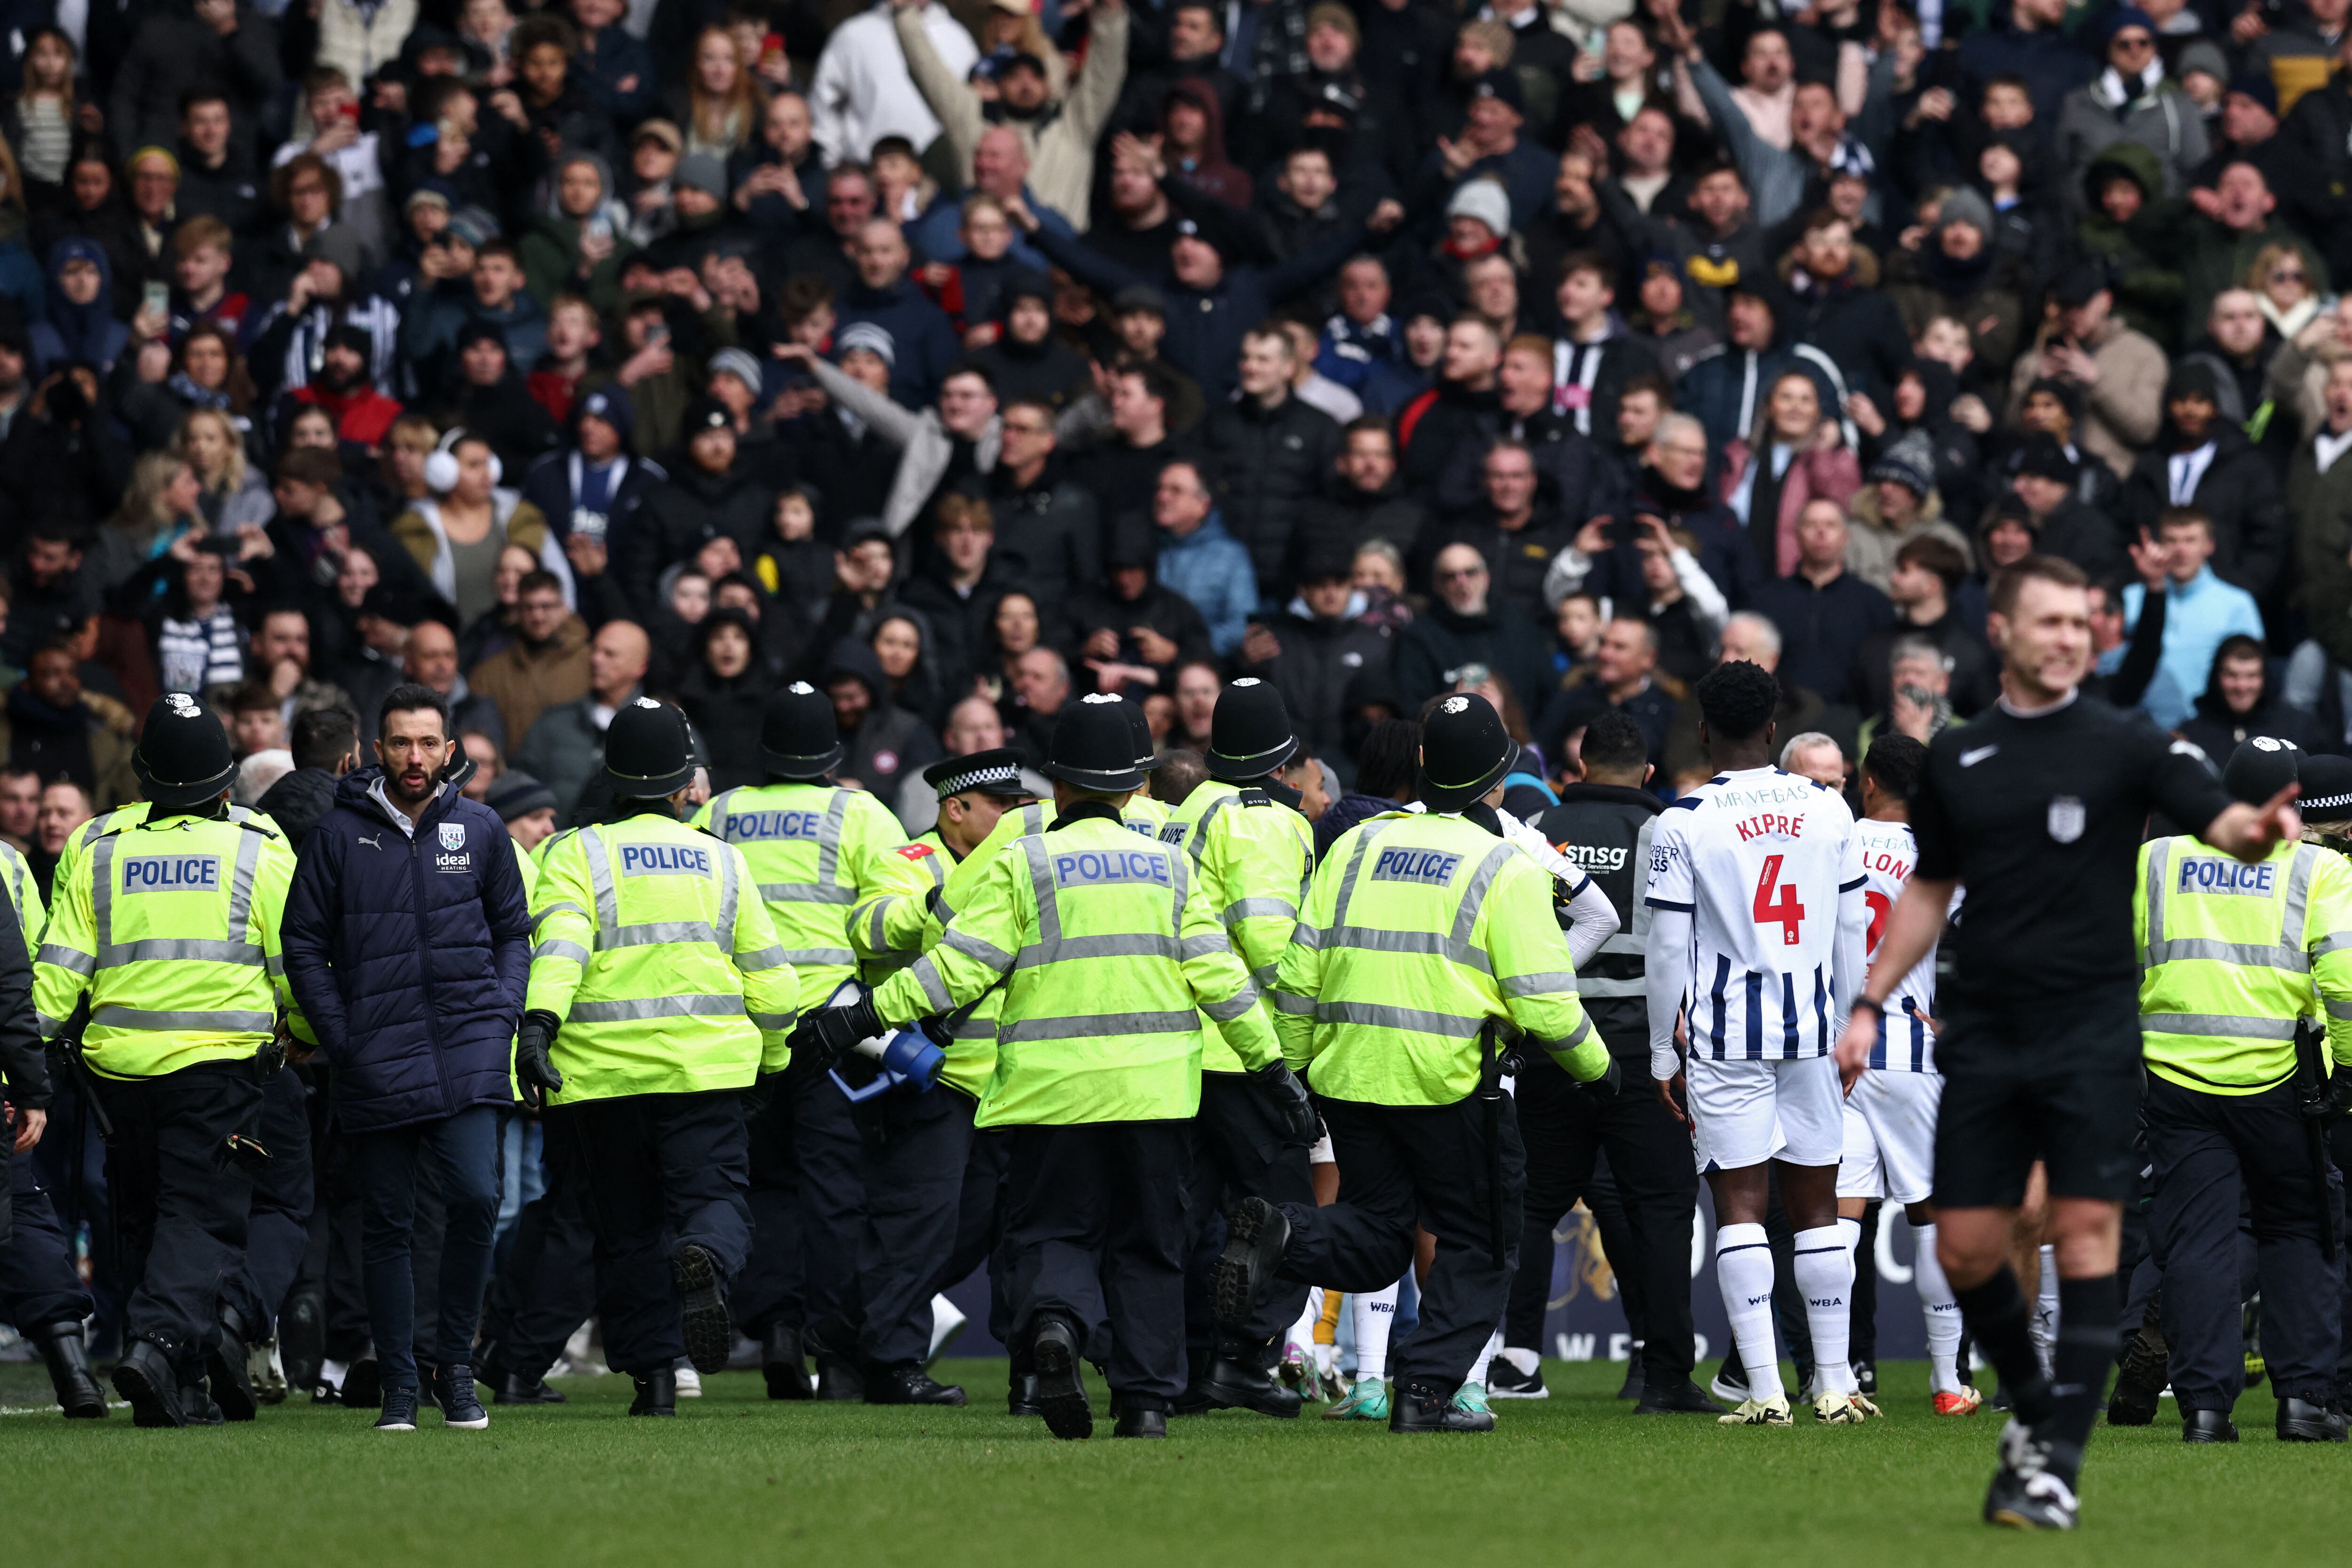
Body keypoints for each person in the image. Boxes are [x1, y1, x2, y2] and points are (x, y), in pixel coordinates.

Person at [1838, 554, 2299, 1529]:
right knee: (1967, 1245)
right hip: (1981, 1030)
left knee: (2084, 1236)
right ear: (2000, 630)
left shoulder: (2130, 741)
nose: (2063, 636)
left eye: (2076, 622)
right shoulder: (1959, 758)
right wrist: (1870, 996)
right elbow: (1928, 887)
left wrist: (2252, 834)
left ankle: (2052, 1460)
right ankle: (2038, 1414)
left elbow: (2219, 820)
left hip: (2090, 1027)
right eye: (2043, 620)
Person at [800, 694, 1287, 1440]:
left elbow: (956, 969)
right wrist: (1271, 1067)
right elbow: (1222, 979)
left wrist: (862, 1017)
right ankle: (1147, 1402)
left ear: (1057, 785)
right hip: (1155, 1095)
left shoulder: (1022, 860)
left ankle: (1058, 1325)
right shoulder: (1171, 867)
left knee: (1055, 1233)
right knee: (1150, 1246)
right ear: (1135, 788)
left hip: (1048, 1096)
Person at [1216, 691, 1612, 1432]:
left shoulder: (1354, 846)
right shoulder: (1507, 866)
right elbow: (1546, 1001)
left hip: (1352, 1083)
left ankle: (1284, 1231)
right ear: (1499, 779)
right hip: (1453, 1086)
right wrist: (1599, 1069)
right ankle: (1426, 1393)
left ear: (1423, 763)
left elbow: (1302, 972)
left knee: (1377, 1233)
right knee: (1480, 1242)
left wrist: (1294, 1070)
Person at [518, 697, 799, 1417]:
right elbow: (772, 982)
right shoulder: (723, 860)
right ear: (686, 785)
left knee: (627, 1233)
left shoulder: (573, 852)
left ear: (609, 776)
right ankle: (705, 1254)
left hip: (604, 1082)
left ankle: (655, 1383)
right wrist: (769, 1059)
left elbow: (561, 948)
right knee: (714, 1204)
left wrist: (540, 1025)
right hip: (704, 1076)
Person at [32, 693, 299, 1426]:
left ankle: (181, 1391)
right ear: (226, 781)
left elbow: (59, 974)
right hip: (218, 1065)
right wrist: (306, 1034)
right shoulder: (259, 843)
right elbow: (291, 963)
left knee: (145, 1217)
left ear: (141, 775)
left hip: (117, 1074)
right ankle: (151, 1346)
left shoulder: (95, 844)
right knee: (200, 1220)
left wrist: (18, 1064)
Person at [279, 682, 531, 1432]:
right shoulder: (336, 833)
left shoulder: (484, 829)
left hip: (469, 1047)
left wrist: (502, 1014)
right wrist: (342, 1034)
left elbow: (516, 931)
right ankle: (397, 1382)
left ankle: (453, 1365)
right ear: (376, 750)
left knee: (477, 1198)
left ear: (450, 750)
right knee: (386, 1222)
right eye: (400, 742)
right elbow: (302, 942)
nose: (414, 757)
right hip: (376, 1054)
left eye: (428, 743)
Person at [1644, 658, 1874, 1426]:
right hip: (1811, 1031)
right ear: (1774, 728)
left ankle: (1766, 1391)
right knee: (1816, 1203)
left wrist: (1658, 1050)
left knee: (1740, 1206)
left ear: (1704, 728)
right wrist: (1848, 1024)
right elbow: (1849, 927)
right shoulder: (1828, 810)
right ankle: (1834, 1383)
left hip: (1724, 1035)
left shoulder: (1683, 819)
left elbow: (1667, 948)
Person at [2124, 738, 2350, 1443]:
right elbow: (2344, 982)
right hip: (2282, 1082)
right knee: (2302, 1228)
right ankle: (2305, 1403)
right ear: (2290, 800)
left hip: (2176, 1082)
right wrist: (2347, 1070)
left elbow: (2114, 957)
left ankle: (2206, 1411)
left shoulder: (2156, 859)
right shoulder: (2320, 868)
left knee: (2199, 1241)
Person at [690, 684, 908, 1400]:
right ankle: (836, 1350)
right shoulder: (860, 812)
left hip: (744, 1030)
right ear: (834, 753)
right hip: (830, 1031)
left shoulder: (718, 812)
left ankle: (778, 1327)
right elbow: (890, 920)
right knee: (834, 1194)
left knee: (765, 1186)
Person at [1519, 710, 1717, 1415]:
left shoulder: (1536, 830)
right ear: (1649, 774)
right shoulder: (1668, 830)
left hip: (1552, 1041)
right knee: (1662, 1210)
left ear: (1578, 768)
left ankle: (1478, 1365)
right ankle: (1665, 1377)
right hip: (1642, 1049)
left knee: (1523, 1209)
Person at [1155, 679, 1319, 1415]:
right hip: (1242, 1047)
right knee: (1281, 1212)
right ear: (1283, 760)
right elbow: (1269, 940)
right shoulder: (1264, 821)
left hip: (1176, 1046)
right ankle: (1247, 1359)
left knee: (1190, 1214)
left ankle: (1185, 1364)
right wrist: (1295, 1048)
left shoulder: (1182, 811)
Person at [1836, 733, 1978, 1416]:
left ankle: (1834, 1379)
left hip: (1837, 1053)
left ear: (1866, 781)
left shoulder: (1833, 840)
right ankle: (1948, 1381)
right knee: (1931, 1213)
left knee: (1839, 1215)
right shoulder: (1936, 851)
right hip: (1910, 1048)